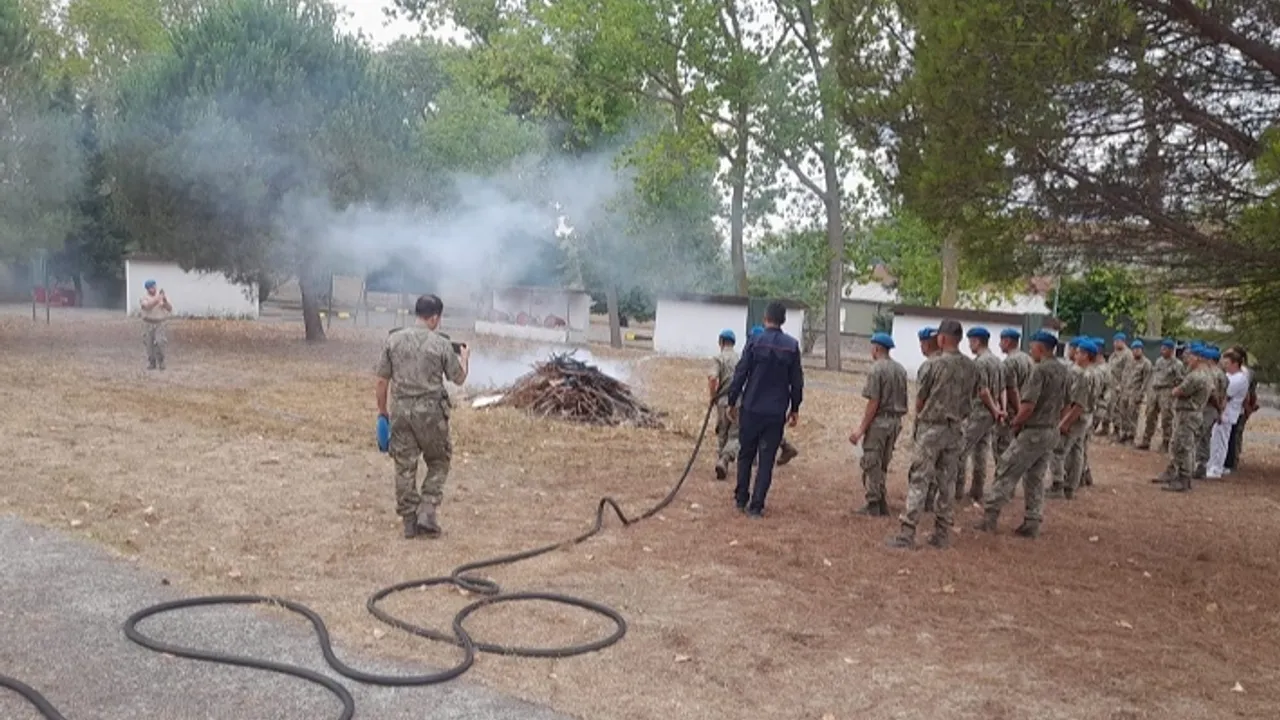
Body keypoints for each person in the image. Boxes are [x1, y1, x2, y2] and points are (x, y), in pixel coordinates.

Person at [888, 319, 994, 550]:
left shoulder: (932, 366)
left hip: (931, 429)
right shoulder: (972, 367)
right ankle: (942, 533)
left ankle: (907, 533)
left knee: (920, 479)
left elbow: (920, 401)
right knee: (946, 482)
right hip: (956, 429)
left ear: (942, 338)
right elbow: (980, 392)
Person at [374, 294, 470, 539]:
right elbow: (458, 379)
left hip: (401, 412)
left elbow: (382, 381)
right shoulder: (441, 344)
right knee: (438, 460)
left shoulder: (393, 340)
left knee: (404, 466)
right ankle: (427, 509)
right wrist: (465, 359)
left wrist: (382, 412)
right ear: (435, 318)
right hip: (431, 413)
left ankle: (409, 521)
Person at [975, 331, 1069, 538]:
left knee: (1007, 468)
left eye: (1033, 346)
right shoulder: (1063, 370)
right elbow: (1067, 404)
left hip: (1033, 431)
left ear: (1041, 348)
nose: (1030, 350)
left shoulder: (1040, 370)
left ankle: (990, 516)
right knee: (1035, 476)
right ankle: (1032, 520)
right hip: (1050, 431)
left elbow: (1028, 405)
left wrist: (1016, 423)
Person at [727, 301, 804, 517]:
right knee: (766, 459)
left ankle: (741, 498)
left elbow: (741, 373)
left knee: (745, 455)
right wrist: (795, 408)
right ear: (783, 320)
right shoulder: (791, 346)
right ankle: (756, 506)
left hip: (751, 408)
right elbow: (797, 382)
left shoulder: (754, 341)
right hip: (775, 412)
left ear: (765, 318)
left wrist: (732, 401)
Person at [849, 332, 908, 517]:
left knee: (871, 461)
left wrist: (861, 430)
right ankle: (881, 500)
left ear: (876, 348)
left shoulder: (876, 370)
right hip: (895, 422)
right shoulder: (900, 370)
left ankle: (873, 503)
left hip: (880, 422)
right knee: (883, 462)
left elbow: (873, 402)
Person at [952, 327, 1005, 503]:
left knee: (961, 450)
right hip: (990, 413)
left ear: (976, 341)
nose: (969, 345)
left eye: (970, 342)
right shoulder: (997, 361)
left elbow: (983, 391)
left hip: (979, 411)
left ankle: (956, 491)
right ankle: (977, 489)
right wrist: (1000, 409)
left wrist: (994, 409)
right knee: (981, 451)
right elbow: (1002, 388)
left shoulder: (980, 363)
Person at [1049, 339, 1098, 499]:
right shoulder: (1094, 373)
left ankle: (1058, 485)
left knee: (1059, 450)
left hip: (1075, 417)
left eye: (1078, 352)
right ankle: (1071, 486)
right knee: (1077, 450)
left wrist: (1065, 422)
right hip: (1085, 416)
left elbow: (1076, 403)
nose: (1075, 354)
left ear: (1085, 355)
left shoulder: (1081, 374)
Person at [1160, 346, 1210, 492]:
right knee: (1185, 445)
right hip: (1193, 413)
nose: (1187, 359)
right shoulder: (1205, 374)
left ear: (1198, 358)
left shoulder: (1196, 376)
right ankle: (1179, 476)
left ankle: (1184, 479)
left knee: (1184, 446)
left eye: (1190, 356)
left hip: (1188, 414)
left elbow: (1180, 391)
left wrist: (1175, 390)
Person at [749, 324, 800, 465]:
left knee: (754, 428)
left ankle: (753, 457)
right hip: (775, 404)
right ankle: (784, 447)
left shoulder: (756, 354)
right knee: (769, 429)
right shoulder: (777, 353)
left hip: (756, 401)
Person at [1206, 350, 1249, 479]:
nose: (1225, 365)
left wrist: (1219, 412)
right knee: (1215, 440)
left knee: (1221, 441)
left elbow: (1225, 397)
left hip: (1227, 413)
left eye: (1227, 363)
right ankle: (1212, 464)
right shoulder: (1229, 375)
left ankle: (1217, 468)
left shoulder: (1239, 378)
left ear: (1235, 364)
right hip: (1222, 412)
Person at [1138, 339, 1184, 452]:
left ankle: (1166, 442)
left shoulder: (1177, 364)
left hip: (1167, 391)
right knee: (1150, 415)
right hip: (1155, 390)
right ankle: (1146, 440)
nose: (1162, 351)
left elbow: (1180, 380)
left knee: (1166, 418)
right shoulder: (1159, 361)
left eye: (1165, 349)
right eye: (1162, 348)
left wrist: (1174, 391)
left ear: (1171, 350)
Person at [994, 328, 1033, 462]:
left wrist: (1018, 412)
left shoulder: (1009, 362)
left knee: (1003, 449)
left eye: (1001, 341)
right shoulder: (1028, 359)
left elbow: (1012, 390)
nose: (999, 344)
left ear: (1007, 341)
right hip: (1026, 409)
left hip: (1013, 412)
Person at [709, 329, 741, 480]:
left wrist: (712, 396)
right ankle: (725, 460)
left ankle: (722, 461)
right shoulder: (740, 359)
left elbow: (712, 378)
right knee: (735, 434)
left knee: (722, 432)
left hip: (722, 401)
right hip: (738, 401)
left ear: (721, 342)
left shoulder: (719, 358)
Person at [1195, 346, 1229, 478]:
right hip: (1213, 409)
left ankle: (1199, 465)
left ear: (1209, 359)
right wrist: (1220, 411)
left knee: (1200, 436)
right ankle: (1202, 464)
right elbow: (1224, 395)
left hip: (1208, 408)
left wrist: (1218, 408)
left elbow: (1212, 394)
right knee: (1206, 436)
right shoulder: (1223, 375)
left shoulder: (1210, 373)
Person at [1225, 345, 1256, 471]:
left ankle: (1232, 461)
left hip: (1238, 408)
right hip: (1236, 407)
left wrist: (1247, 407)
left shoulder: (1243, 373)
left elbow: (1246, 393)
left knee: (1234, 435)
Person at [1115, 340, 1153, 444]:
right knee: (1123, 413)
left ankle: (1131, 436)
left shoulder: (1146, 363)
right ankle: (1124, 433)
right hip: (1125, 392)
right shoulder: (1129, 361)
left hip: (1135, 393)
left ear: (1142, 350)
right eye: (1134, 349)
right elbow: (1124, 375)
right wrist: (1120, 387)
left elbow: (1146, 381)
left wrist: (1141, 394)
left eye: (1138, 349)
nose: (1135, 351)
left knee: (1133, 415)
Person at [1096, 332, 1132, 437]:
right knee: (1108, 406)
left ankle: (1117, 430)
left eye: (1117, 341)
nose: (1115, 343)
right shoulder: (1113, 354)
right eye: (1114, 341)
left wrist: (1121, 386)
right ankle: (1105, 427)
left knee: (1117, 408)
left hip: (1119, 385)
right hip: (1110, 384)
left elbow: (1127, 372)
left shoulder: (1127, 354)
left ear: (1123, 342)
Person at [139, 279, 173, 370]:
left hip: (159, 323)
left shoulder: (162, 296)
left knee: (160, 342)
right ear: (147, 289)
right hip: (148, 323)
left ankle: (161, 361)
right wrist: (157, 299)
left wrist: (165, 302)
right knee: (149, 344)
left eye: (154, 287)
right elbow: (147, 306)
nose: (154, 289)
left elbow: (170, 308)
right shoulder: (144, 298)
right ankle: (152, 362)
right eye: (151, 287)